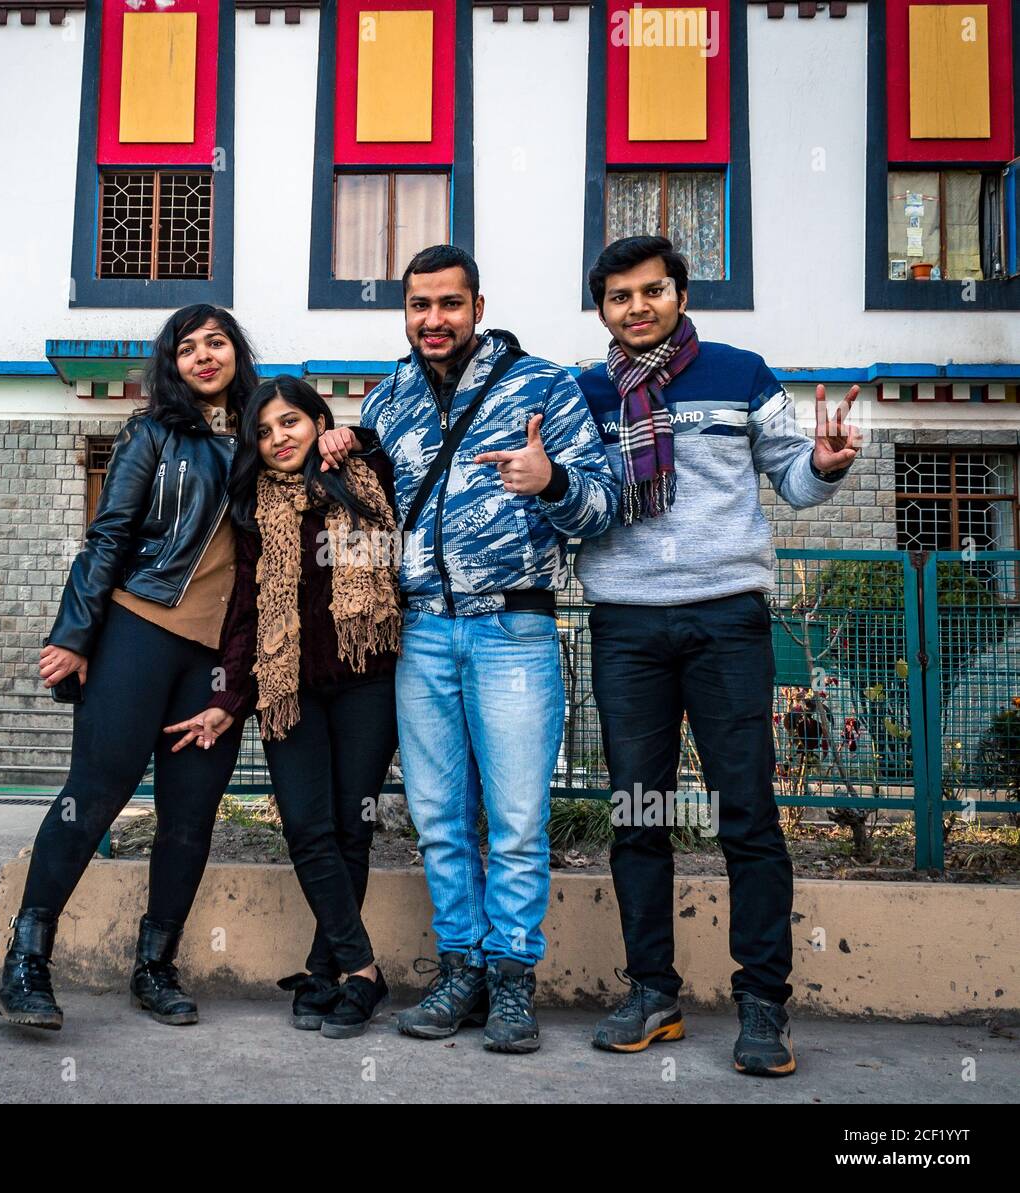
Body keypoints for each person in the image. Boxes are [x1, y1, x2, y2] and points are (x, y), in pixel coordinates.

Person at [318, 244, 618, 1053]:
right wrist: (340, 454)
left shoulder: (544, 385)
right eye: (420, 306)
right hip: (419, 635)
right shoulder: (388, 399)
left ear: (478, 307)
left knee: (517, 820)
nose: (434, 320)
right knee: (440, 820)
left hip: (511, 630)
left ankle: (514, 982)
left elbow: (602, 506)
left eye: (450, 304)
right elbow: (369, 519)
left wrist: (549, 480)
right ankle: (461, 973)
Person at [576, 235, 862, 1076]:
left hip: (728, 619)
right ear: (602, 308)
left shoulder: (740, 372)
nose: (638, 306)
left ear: (680, 293)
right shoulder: (584, 392)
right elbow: (577, 499)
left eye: (652, 291)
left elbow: (795, 481)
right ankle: (652, 992)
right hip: (627, 623)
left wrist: (824, 462)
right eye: (620, 295)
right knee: (638, 812)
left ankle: (764, 1004)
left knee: (749, 813)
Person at [0, 304, 259, 1032]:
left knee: (190, 819)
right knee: (95, 793)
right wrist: (75, 634)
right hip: (138, 632)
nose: (204, 355)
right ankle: (26, 962)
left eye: (217, 341)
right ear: (170, 365)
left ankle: (155, 967)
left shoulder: (263, 442)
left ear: (237, 351)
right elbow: (107, 535)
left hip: (214, 662)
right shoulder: (153, 432)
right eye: (186, 347)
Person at [165, 376, 401, 1039]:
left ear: (319, 420)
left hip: (367, 679)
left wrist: (358, 436)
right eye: (264, 432)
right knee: (306, 826)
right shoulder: (254, 508)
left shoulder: (363, 473)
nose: (278, 439)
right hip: (288, 685)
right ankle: (363, 970)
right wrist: (226, 701)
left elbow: (386, 445)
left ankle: (325, 971)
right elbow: (246, 614)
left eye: (291, 422)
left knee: (351, 829)